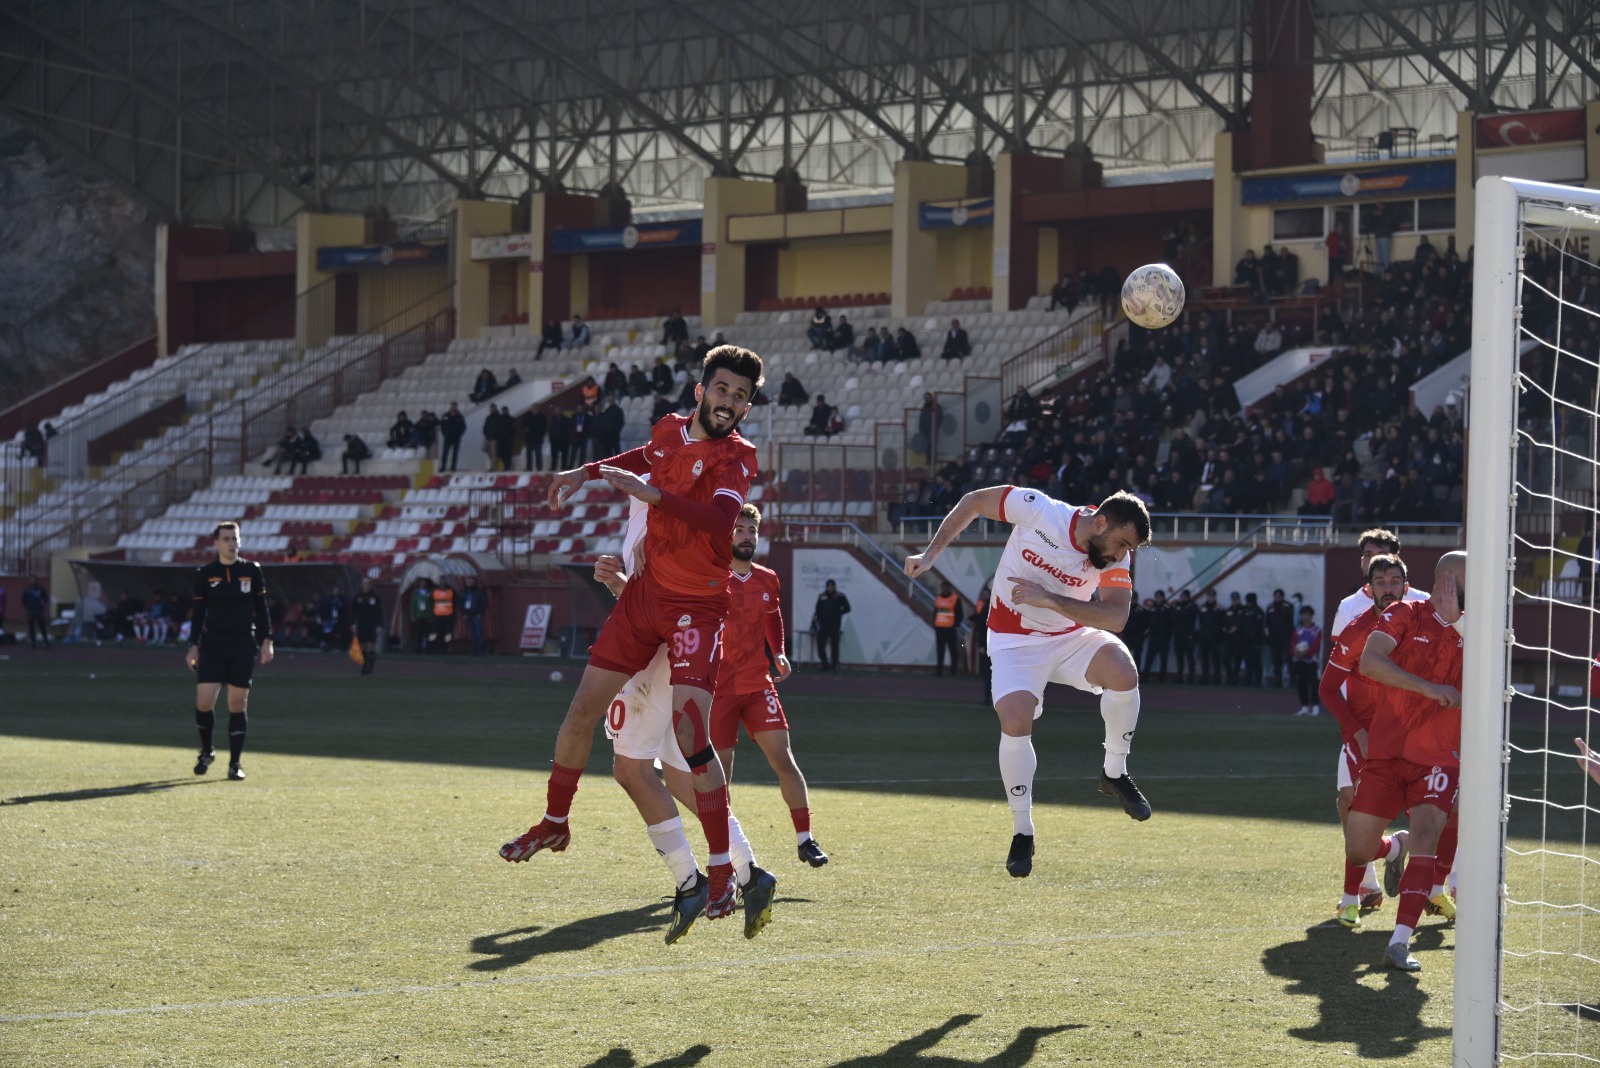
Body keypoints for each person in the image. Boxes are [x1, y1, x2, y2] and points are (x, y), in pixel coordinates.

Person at [498, 345, 765, 926]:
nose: (730, 401)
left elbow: (722, 522)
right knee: (581, 713)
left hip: (696, 606)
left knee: (689, 739)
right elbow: (646, 455)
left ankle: (722, 870)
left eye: (741, 396)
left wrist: (653, 496)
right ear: (701, 392)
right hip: (644, 599)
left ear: (748, 407)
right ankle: (556, 821)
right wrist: (586, 472)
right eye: (722, 389)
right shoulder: (669, 430)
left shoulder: (738, 456)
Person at [905, 487, 1154, 879]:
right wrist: (931, 555)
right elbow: (974, 502)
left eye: (1129, 549)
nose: (1122, 554)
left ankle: (1114, 772)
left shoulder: (1115, 555)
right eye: (1121, 544)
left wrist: (1050, 599)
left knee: (1123, 671)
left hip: (1069, 636)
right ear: (1100, 523)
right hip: (1013, 640)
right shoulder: (1040, 511)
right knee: (1015, 718)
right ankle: (1023, 830)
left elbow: (1115, 618)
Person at [594, 489, 778, 942]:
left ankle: (689, 882)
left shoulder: (668, 503)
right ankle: (749, 873)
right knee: (680, 777)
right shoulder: (667, 506)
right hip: (679, 657)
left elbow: (669, 602)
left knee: (631, 769)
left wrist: (621, 587)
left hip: (662, 657)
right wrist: (622, 585)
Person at [1346, 552, 1466, 971]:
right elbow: (1370, 662)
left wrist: (1458, 622)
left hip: (1439, 757)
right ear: (1446, 581)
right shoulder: (1406, 613)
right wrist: (1428, 687)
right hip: (1388, 752)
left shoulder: (1480, 628)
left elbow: (1497, 672)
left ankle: (1400, 942)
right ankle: (1394, 847)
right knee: (1359, 851)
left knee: (1428, 834)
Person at [713, 503, 829, 867]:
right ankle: (727, 854)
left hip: (757, 684)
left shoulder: (767, 578)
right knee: (722, 775)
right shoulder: (711, 576)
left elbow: (772, 613)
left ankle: (805, 839)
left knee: (784, 759)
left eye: (752, 531)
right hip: (717, 690)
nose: (747, 537)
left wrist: (778, 651)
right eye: (739, 530)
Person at [184, 522, 273, 781]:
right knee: (204, 702)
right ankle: (207, 751)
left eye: (235, 538)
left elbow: (262, 608)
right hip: (213, 645)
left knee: (237, 704)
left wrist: (267, 640)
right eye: (226, 539)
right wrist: (193, 645)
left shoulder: (252, 570)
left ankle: (235, 763)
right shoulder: (206, 573)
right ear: (216, 543)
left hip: (243, 644)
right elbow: (198, 612)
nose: (232, 543)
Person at [1290, 605, 1323, 716]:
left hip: (1312, 661)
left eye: (1308, 615)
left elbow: (1316, 645)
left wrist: (1306, 653)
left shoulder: (1317, 630)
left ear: (1312, 616)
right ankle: (1304, 706)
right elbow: (1293, 642)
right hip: (1299, 660)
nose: (1306, 617)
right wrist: (1295, 652)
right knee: (1301, 683)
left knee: (1314, 683)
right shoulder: (1298, 629)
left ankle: (1315, 706)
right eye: (1304, 615)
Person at [812, 579, 850, 672]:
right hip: (823, 624)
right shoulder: (822, 596)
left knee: (834, 646)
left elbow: (847, 608)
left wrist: (839, 612)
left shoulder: (839, 596)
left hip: (835, 625)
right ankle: (824, 663)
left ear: (834, 587)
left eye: (832, 586)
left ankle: (834, 665)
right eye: (829, 586)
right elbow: (817, 610)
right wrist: (815, 622)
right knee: (820, 645)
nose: (830, 588)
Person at [1265, 589, 1296, 687]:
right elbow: (1267, 625)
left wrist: (1291, 637)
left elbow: (1291, 623)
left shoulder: (1288, 606)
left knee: (1289, 659)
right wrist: (1267, 636)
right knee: (1276, 660)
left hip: (1286, 638)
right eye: (1276, 596)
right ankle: (1277, 680)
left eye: (1279, 596)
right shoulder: (1270, 607)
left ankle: (1293, 680)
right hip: (1274, 638)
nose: (1277, 598)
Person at [352, 577, 383, 677]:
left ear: (370, 584)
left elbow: (379, 611)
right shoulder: (358, 596)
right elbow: (353, 612)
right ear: (361, 584)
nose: (366, 585)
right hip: (361, 624)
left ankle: (371, 668)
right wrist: (353, 624)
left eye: (368, 583)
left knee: (371, 645)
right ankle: (365, 666)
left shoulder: (375, 596)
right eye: (364, 583)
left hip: (372, 624)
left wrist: (379, 625)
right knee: (362, 645)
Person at [932, 581, 963, 676]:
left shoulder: (955, 599)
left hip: (950, 629)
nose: (944, 589)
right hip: (939, 628)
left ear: (950, 588)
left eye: (946, 588)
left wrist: (955, 624)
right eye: (943, 588)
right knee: (940, 650)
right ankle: (939, 670)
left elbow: (960, 613)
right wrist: (935, 623)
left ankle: (953, 670)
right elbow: (935, 612)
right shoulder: (938, 598)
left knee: (952, 650)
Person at [1195, 588, 1225, 685]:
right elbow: (1199, 622)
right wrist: (1199, 635)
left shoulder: (1220, 608)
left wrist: (1221, 636)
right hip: (1204, 638)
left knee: (1216, 659)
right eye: (1209, 596)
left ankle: (1217, 679)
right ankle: (1205, 677)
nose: (1210, 598)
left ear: (1215, 597)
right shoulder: (1202, 608)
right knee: (1204, 659)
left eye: (1212, 596)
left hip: (1216, 638)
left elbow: (1223, 623)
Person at [461, 577, 488, 656]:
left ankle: (480, 651)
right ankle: (474, 651)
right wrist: (464, 613)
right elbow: (461, 603)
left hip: (476, 615)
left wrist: (480, 612)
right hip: (469, 615)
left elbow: (483, 603)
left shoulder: (478, 592)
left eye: (470, 581)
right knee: (471, 634)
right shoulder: (465, 592)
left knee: (478, 633)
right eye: (468, 581)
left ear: (473, 582)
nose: (469, 583)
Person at [22, 577, 49, 649]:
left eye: (34, 580)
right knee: (31, 628)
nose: (33, 582)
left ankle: (46, 641)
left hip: (39, 611)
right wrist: (28, 607)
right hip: (30, 611)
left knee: (42, 627)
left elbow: (45, 599)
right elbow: (24, 600)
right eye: (31, 580)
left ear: (36, 581)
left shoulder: (41, 589)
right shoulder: (27, 590)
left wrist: (42, 606)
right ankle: (33, 643)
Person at [439, 402, 467, 473]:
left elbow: (463, 427)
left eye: (455, 407)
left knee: (455, 453)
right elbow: (442, 425)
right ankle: (443, 467)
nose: (453, 408)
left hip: (456, 437)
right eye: (452, 406)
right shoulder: (446, 416)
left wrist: (459, 434)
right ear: (450, 407)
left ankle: (453, 468)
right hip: (447, 437)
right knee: (445, 453)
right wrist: (445, 434)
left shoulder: (460, 417)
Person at [408, 578, 434, 653]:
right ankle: (417, 648)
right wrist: (413, 615)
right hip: (418, 616)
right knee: (418, 633)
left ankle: (428, 649)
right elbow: (413, 605)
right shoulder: (416, 594)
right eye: (421, 583)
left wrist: (432, 615)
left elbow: (432, 604)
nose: (423, 584)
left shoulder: (429, 593)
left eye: (424, 583)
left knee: (427, 634)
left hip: (427, 616)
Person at [430, 580, 455, 654]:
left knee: (447, 633)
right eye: (441, 584)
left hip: (448, 616)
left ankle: (446, 648)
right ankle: (437, 648)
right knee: (438, 633)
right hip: (438, 616)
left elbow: (454, 601)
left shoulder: (450, 592)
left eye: (444, 583)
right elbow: (431, 601)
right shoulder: (435, 592)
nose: (442, 585)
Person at [521, 406, 548, 472]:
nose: (534, 409)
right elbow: (522, 424)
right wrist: (526, 428)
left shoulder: (541, 416)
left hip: (538, 439)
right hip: (529, 438)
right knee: (529, 455)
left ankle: (539, 468)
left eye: (535, 408)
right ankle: (529, 468)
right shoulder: (527, 416)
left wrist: (541, 435)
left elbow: (545, 427)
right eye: (533, 408)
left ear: (537, 409)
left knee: (538, 454)